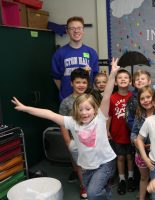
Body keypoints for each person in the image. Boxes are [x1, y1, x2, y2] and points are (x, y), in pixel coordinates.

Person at [12, 58, 120, 200]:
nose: (85, 113)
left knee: (93, 194)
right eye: (81, 110)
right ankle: (106, 192)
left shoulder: (100, 119)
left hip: (105, 163)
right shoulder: (72, 122)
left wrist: (112, 74)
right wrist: (26, 108)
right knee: (93, 189)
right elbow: (49, 114)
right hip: (87, 166)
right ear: (76, 111)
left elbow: (106, 97)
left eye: (88, 109)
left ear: (95, 110)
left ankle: (105, 194)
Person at [59, 68, 90, 199]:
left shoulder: (91, 99)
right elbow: (62, 123)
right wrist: (68, 141)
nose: (81, 85)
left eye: (84, 82)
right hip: (75, 140)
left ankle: (93, 183)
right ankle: (83, 185)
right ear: (72, 83)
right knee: (79, 165)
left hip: (90, 139)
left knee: (91, 163)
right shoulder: (66, 102)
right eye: (78, 82)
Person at [51, 16, 99, 101]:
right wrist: (64, 92)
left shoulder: (92, 53)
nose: (76, 31)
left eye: (79, 28)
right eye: (72, 28)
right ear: (67, 31)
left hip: (87, 101)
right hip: (67, 99)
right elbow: (56, 77)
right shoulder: (59, 53)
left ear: (83, 30)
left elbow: (94, 76)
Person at [107, 69, 135, 195]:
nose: (123, 79)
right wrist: (106, 130)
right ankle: (122, 179)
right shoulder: (112, 98)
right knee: (120, 157)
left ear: (130, 81)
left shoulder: (133, 97)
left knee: (130, 156)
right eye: (120, 78)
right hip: (117, 133)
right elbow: (109, 116)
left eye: (126, 77)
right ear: (116, 82)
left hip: (130, 133)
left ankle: (130, 177)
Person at [131, 86, 155, 200]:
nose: (146, 100)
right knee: (144, 177)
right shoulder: (139, 114)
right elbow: (133, 133)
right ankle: (141, 197)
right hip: (141, 153)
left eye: (148, 97)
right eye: (142, 98)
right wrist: (136, 141)